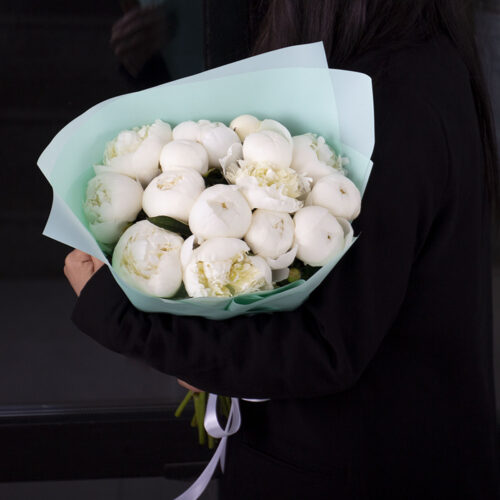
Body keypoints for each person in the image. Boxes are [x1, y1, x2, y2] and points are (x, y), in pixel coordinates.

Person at [64, 0, 500, 498]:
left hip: (356, 468)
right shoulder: (422, 64)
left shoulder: (389, 97)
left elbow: (326, 345)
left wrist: (123, 318)